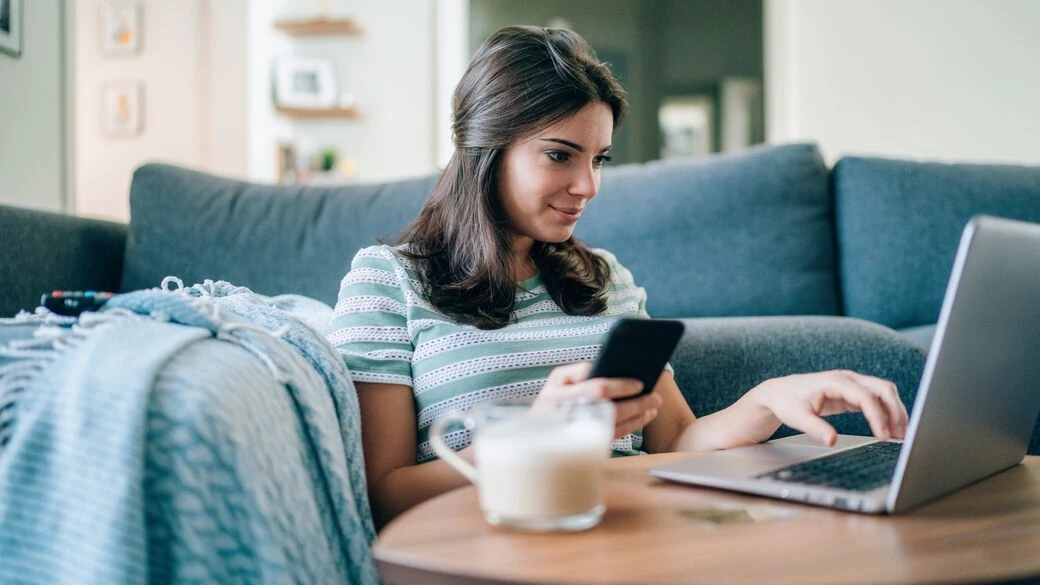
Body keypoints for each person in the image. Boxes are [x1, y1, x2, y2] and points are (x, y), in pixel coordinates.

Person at [328, 25, 908, 528]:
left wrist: (770, 401)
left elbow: (678, 442)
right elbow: (384, 498)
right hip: (500, 544)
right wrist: (535, 436)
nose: (589, 186)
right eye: (560, 155)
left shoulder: (602, 278)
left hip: (639, 529)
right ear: (486, 148)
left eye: (598, 158)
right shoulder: (388, 282)